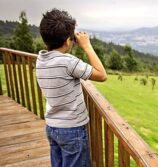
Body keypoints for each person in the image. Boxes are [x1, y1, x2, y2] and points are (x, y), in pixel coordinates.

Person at [37, 9, 107, 167]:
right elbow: (102, 75)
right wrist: (87, 46)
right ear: (69, 41)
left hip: (52, 127)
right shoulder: (68, 62)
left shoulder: (41, 59)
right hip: (71, 130)